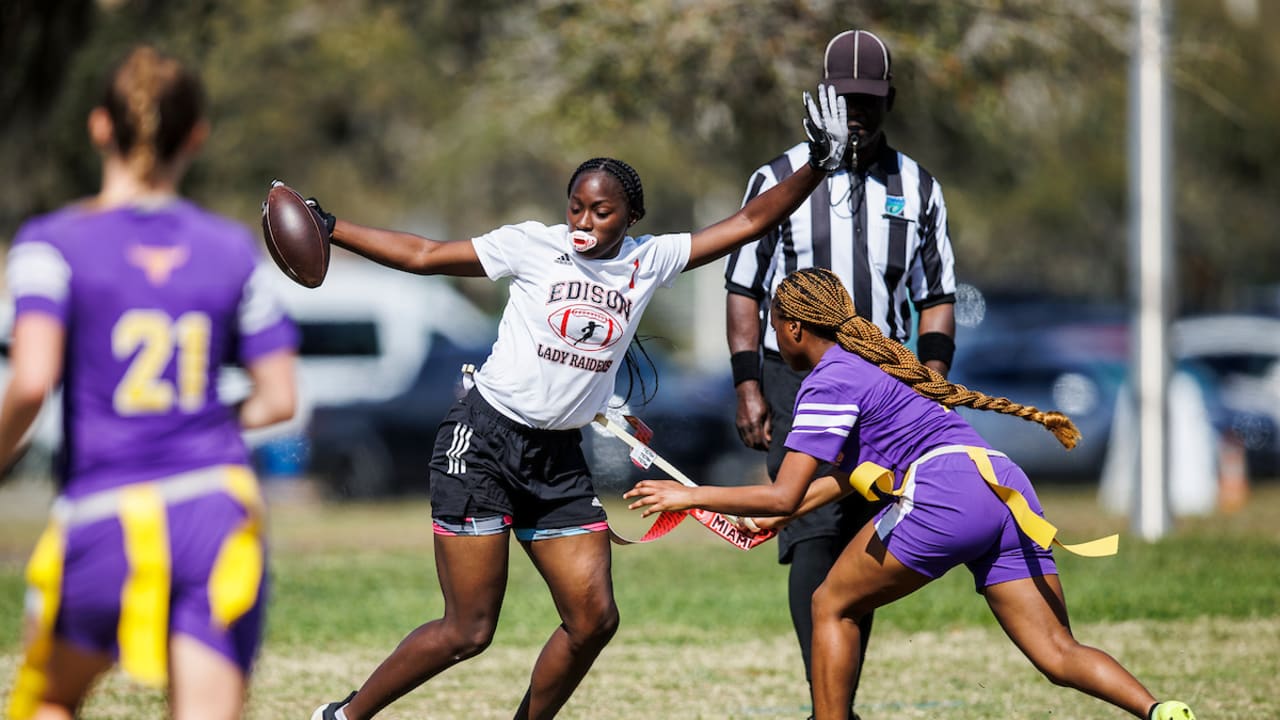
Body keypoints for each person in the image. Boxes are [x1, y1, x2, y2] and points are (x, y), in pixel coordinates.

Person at [302, 86, 850, 720]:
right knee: (469, 630)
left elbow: (749, 222)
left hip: (557, 457)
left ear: (631, 218)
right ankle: (341, 717)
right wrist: (332, 227)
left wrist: (817, 161)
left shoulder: (651, 260)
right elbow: (425, 256)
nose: (585, 224)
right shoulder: (532, 245)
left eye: (602, 213)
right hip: (481, 442)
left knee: (593, 619)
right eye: (577, 209)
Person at [626, 267, 1197, 720]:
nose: (775, 338)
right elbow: (843, 474)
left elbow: (781, 493)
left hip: (944, 493)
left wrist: (690, 496)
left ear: (795, 329)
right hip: (1002, 484)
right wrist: (786, 513)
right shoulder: (875, 365)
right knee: (1057, 652)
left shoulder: (827, 380)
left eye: (775, 327)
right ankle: (1161, 710)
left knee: (830, 604)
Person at [0, 46, 300, 720]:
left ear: (100, 126)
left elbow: (31, 381)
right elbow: (280, 398)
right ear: (197, 135)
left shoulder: (51, 244)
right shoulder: (231, 250)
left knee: (49, 699)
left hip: (105, 509)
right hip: (215, 511)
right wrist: (196, 423)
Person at [722, 28, 957, 717]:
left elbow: (937, 295)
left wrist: (933, 378)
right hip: (798, 377)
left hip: (884, 383)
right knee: (808, 530)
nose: (858, 113)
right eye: (845, 100)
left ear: (891, 101)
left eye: (871, 101)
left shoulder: (917, 186)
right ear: (821, 98)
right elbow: (744, 286)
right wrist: (747, 383)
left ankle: (835, 702)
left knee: (865, 532)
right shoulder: (777, 179)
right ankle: (830, 704)